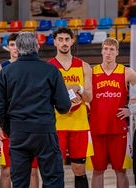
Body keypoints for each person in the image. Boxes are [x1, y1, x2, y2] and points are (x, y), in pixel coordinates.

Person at [0, 32, 71, 188]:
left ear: (19, 48)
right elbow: (64, 106)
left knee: (20, 182)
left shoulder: (6, 73)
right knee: (53, 180)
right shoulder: (51, 71)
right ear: (37, 47)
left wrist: (11, 129)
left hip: (18, 133)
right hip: (45, 132)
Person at [0, 33, 40, 188]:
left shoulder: (32, 67)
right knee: (7, 169)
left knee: (33, 170)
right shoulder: (0, 68)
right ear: (8, 47)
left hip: (29, 124)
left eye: (17, 45)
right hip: (7, 124)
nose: (15, 48)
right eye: (11, 45)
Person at [48, 27, 92, 188]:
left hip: (79, 125)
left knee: (79, 169)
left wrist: (78, 88)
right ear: (55, 42)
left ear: (72, 41)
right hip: (56, 125)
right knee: (54, 169)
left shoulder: (84, 66)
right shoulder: (48, 67)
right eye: (60, 39)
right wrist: (62, 94)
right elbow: (44, 98)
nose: (64, 43)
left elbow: (90, 97)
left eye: (67, 39)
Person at [89, 37, 136, 188]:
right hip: (97, 128)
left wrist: (132, 109)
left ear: (117, 52)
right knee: (97, 170)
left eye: (111, 50)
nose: (108, 52)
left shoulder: (127, 72)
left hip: (118, 129)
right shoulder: (91, 72)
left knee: (121, 170)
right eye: (106, 49)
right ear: (102, 51)